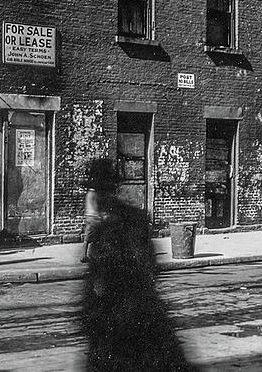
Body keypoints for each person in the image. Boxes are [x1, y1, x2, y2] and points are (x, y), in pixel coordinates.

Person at [80, 159, 192, 371]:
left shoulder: (125, 223)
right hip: (125, 321)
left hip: (130, 321)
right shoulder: (125, 221)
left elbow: (141, 270)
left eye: (94, 194)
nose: (91, 201)